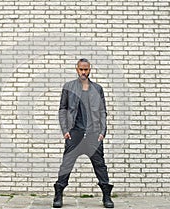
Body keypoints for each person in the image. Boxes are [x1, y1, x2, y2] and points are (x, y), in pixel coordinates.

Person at [53, 58, 114, 208]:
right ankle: (58, 194)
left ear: (90, 70)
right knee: (66, 165)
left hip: (93, 134)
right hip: (75, 133)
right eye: (81, 69)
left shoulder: (97, 88)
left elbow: (102, 111)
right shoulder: (68, 87)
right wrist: (65, 130)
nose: (83, 72)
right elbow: (63, 109)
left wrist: (102, 132)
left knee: (100, 166)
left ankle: (107, 196)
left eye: (86, 69)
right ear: (77, 69)